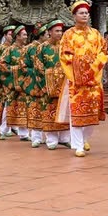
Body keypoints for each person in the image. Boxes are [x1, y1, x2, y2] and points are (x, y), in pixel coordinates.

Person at [59, 0, 108, 157]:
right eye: (81, 13)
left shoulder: (96, 34)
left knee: (92, 114)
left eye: (86, 13)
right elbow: (65, 56)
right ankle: (78, 145)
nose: (85, 15)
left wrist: (93, 67)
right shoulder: (69, 34)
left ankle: (85, 139)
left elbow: (103, 52)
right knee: (76, 113)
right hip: (76, 81)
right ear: (74, 16)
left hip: (93, 80)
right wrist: (76, 73)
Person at [37, 20, 71, 149]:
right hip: (48, 86)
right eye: (56, 31)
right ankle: (51, 140)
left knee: (63, 110)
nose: (59, 33)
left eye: (61, 31)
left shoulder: (65, 46)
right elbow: (37, 67)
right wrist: (47, 81)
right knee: (49, 111)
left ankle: (64, 138)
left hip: (64, 85)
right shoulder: (42, 48)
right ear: (49, 32)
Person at [3, 27, 30, 140]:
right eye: (23, 35)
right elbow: (2, 64)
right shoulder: (9, 50)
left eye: (26, 34)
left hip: (24, 83)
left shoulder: (26, 50)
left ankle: (23, 133)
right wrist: (15, 70)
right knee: (9, 105)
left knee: (24, 106)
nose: (26, 37)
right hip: (12, 83)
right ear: (17, 36)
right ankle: (3, 130)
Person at [22, 26, 47, 147]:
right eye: (47, 34)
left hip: (47, 83)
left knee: (46, 109)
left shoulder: (49, 48)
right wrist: (35, 72)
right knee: (35, 108)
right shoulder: (29, 48)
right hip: (33, 83)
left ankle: (48, 135)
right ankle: (36, 137)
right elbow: (23, 66)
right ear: (41, 35)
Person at [0, 25, 17, 139]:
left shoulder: (16, 49)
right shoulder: (0, 49)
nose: (11, 37)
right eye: (9, 34)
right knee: (5, 103)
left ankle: (12, 126)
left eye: (13, 34)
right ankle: (4, 127)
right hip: (4, 81)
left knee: (14, 103)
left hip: (16, 80)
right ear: (5, 35)